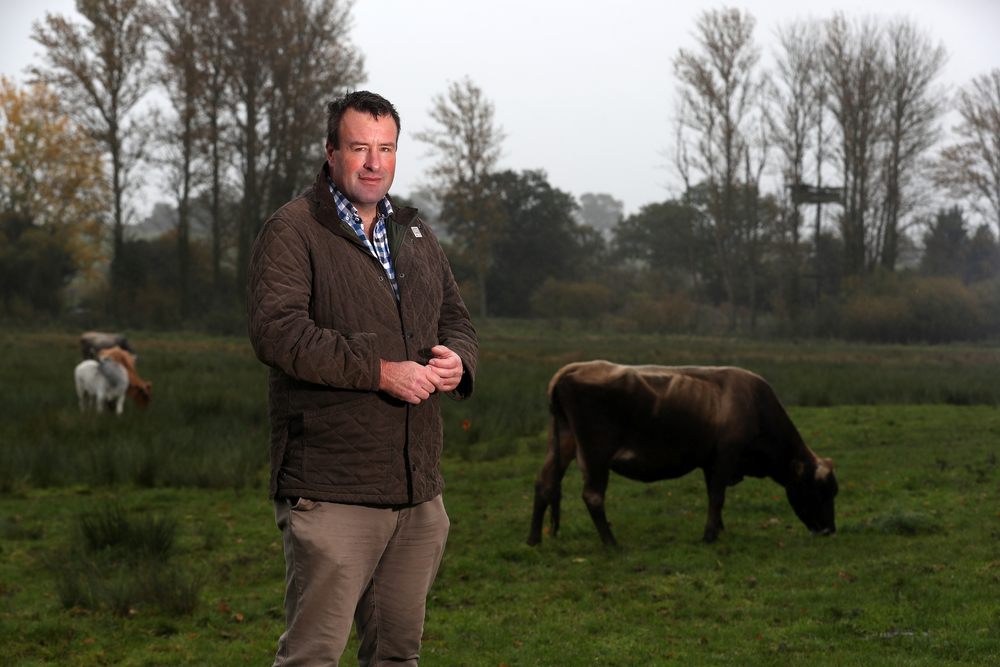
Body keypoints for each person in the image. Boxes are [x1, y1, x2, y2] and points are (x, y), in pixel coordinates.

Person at [246, 90, 478, 667]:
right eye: (358, 148)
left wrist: (460, 361)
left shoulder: (415, 232)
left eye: (386, 148)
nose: (374, 162)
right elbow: (278, 334)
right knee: (312, 658)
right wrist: (379, 372)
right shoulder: (292, 230)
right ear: (331, 152)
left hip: (417, 490)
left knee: (398, 657)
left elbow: (457, 320)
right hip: (332, 488)